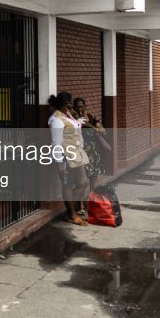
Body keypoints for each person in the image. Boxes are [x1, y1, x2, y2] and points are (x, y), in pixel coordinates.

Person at [48, 92, 90, 226]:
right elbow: (56, 143)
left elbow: (76, 127)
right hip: (66, 158)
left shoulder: (68, 114)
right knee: (67, 185)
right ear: (65, 104)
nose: (72, 105)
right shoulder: (56, 120)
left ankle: (71, 211)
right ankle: (72, 215)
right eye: (70, 102)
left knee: (82, 183)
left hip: (76, 155)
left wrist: (78, 119)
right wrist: (59, 164)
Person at [72, 98, 108, 190]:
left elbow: (103, 132)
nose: (80, 108)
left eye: (81, 106)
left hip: (94, 152)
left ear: (85, 106)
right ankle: (81, 202)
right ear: (74, 107)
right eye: (77, 106)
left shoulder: (91, 118)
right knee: (83, 181)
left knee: (93, 179)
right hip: (83, 153)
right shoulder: (74, 119)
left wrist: (96, 125)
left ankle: (91, 200)